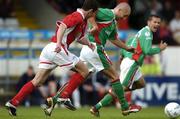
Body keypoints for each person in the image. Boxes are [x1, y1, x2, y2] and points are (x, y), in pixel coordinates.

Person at [44, 2, 142, 117]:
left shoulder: (113, 23)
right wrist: (94, 26)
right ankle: (125, 107)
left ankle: (55, 99)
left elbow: (114, 39)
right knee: (115, 77)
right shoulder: (107, 13)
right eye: (124, 15)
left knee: (81, 74)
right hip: (95, 48)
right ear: (119, 10)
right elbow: (91, 13)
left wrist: (127, 48)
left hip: (88, 49)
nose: (124, 18)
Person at [5, 0, 98, 116]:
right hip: (57, 48)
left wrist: (89, 43)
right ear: (90, 11)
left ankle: (13, 103)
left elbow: (78, 37)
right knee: (84, 70)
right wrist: (59, 43)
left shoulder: (82, 21)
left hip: (49, 49)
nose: (94, 16)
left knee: (37, 81)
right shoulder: (78, 16)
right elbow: (63, 26)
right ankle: (64, 96)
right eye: (94, 13)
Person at [92, 14, 167, 117]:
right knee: (120, 88)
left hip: (129, 61)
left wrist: (122, 56)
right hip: (132, 63)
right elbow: (147, 50)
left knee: (141, 83)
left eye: (158, 22)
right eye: (154, 22)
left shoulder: (140, 33)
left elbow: (127, 45)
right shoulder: (147, 34)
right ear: (148, 22)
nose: (157, 24)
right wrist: (160, 48)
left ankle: (117, 91)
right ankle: (96, 107)